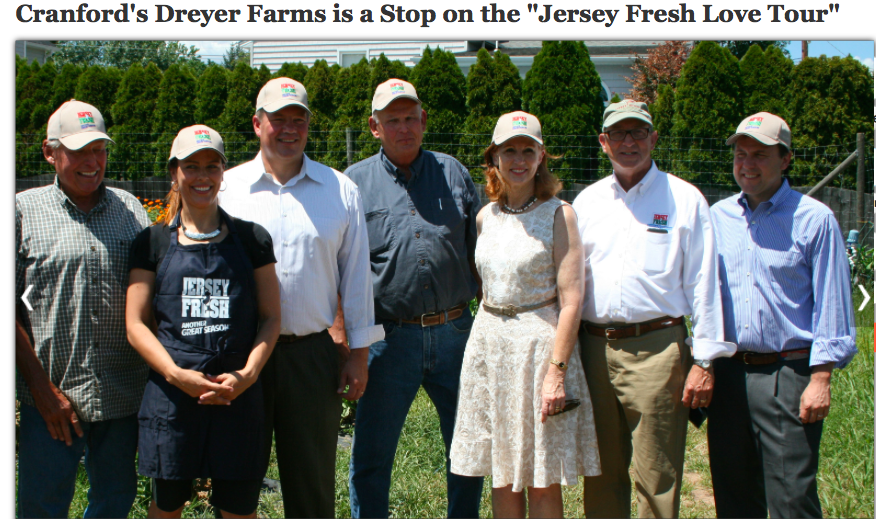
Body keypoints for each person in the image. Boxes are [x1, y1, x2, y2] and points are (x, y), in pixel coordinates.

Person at [220, 77, 383, 519]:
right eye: (278, 120)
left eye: (299, 120)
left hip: (312, 355)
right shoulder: (227, 190)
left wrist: (359, 354)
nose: (289, 129)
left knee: (311, 485)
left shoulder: (339, 190)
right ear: (257, 124)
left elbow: (356, 279)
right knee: (236, 484)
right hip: (241, 353)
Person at [571, 100, 736, 518]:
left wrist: (704, 360)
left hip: (659, 350)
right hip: (593, 348)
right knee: (602, 472)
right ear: (603, 142)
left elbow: (704, 284)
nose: (629, 142)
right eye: (619, 134)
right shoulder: (585, 204)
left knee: (656, 475)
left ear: (654, 138)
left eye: (638, 132)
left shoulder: (685, 199)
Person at [449, 112, 601, 518]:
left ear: (541, 157)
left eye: (527, 150)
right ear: (493, 158)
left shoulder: (558, 214)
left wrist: (556, 372)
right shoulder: (486, 217)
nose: (519, 159)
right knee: (501, 471)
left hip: (538, 353)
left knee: (541, 475)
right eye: (509, 150)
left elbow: (572, 301)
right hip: (491, 349)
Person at [344, 79, 485, 518]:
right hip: (389, 339)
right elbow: (341, 267)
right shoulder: (353, 184)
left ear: (423, 121)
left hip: (456, 333)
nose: (404, 128)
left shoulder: (453, 172)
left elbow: (481, 252)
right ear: (374, 127)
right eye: (393, 120)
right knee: (371, 458)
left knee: (467, 451)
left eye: (411, 118)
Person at [126, 125, 281, 518]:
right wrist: (177, 376)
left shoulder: (252, 240)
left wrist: (246, 375)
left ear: (223, 172)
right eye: (191, 166)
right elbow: (136, 324)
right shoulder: (152, 243)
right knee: (166, 506)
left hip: (237, 398)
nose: (202, 176)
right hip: (172, 400)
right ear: (174, 172)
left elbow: (270, 318)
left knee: (239, 508)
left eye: (211, 166)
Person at [708, 112, 857, 518]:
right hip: (729, 375)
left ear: (785, 159)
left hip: (788, 373)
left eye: (760, 154)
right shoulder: (717, 218)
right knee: (734, 494)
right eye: (741, 154)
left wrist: (821, 378)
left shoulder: (814, 220)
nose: (748, 164)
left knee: (791, 498)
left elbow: (833, 304)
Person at [15, 100, 151, 518]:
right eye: (78, 151)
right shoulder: (22, 211)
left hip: (122, 394)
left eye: (99, 149)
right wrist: (40, 389)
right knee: (42, 505)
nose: (92, 161)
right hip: (52, 400)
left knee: (114, 502)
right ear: (49, 152)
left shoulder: (130, 210)